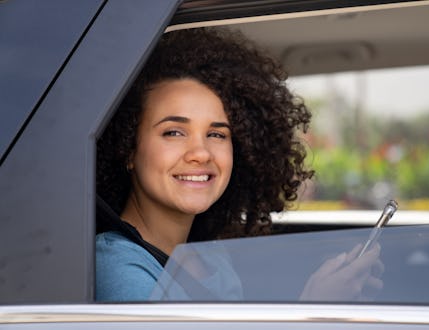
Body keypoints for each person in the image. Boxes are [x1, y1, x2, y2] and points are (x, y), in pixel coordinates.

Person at [95, 27, 382, 302]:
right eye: (174, 132)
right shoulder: (119, 269)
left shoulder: (210, 257)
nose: (201, 153)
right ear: (128, 147)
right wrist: (315, 308)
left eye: (217, 134)